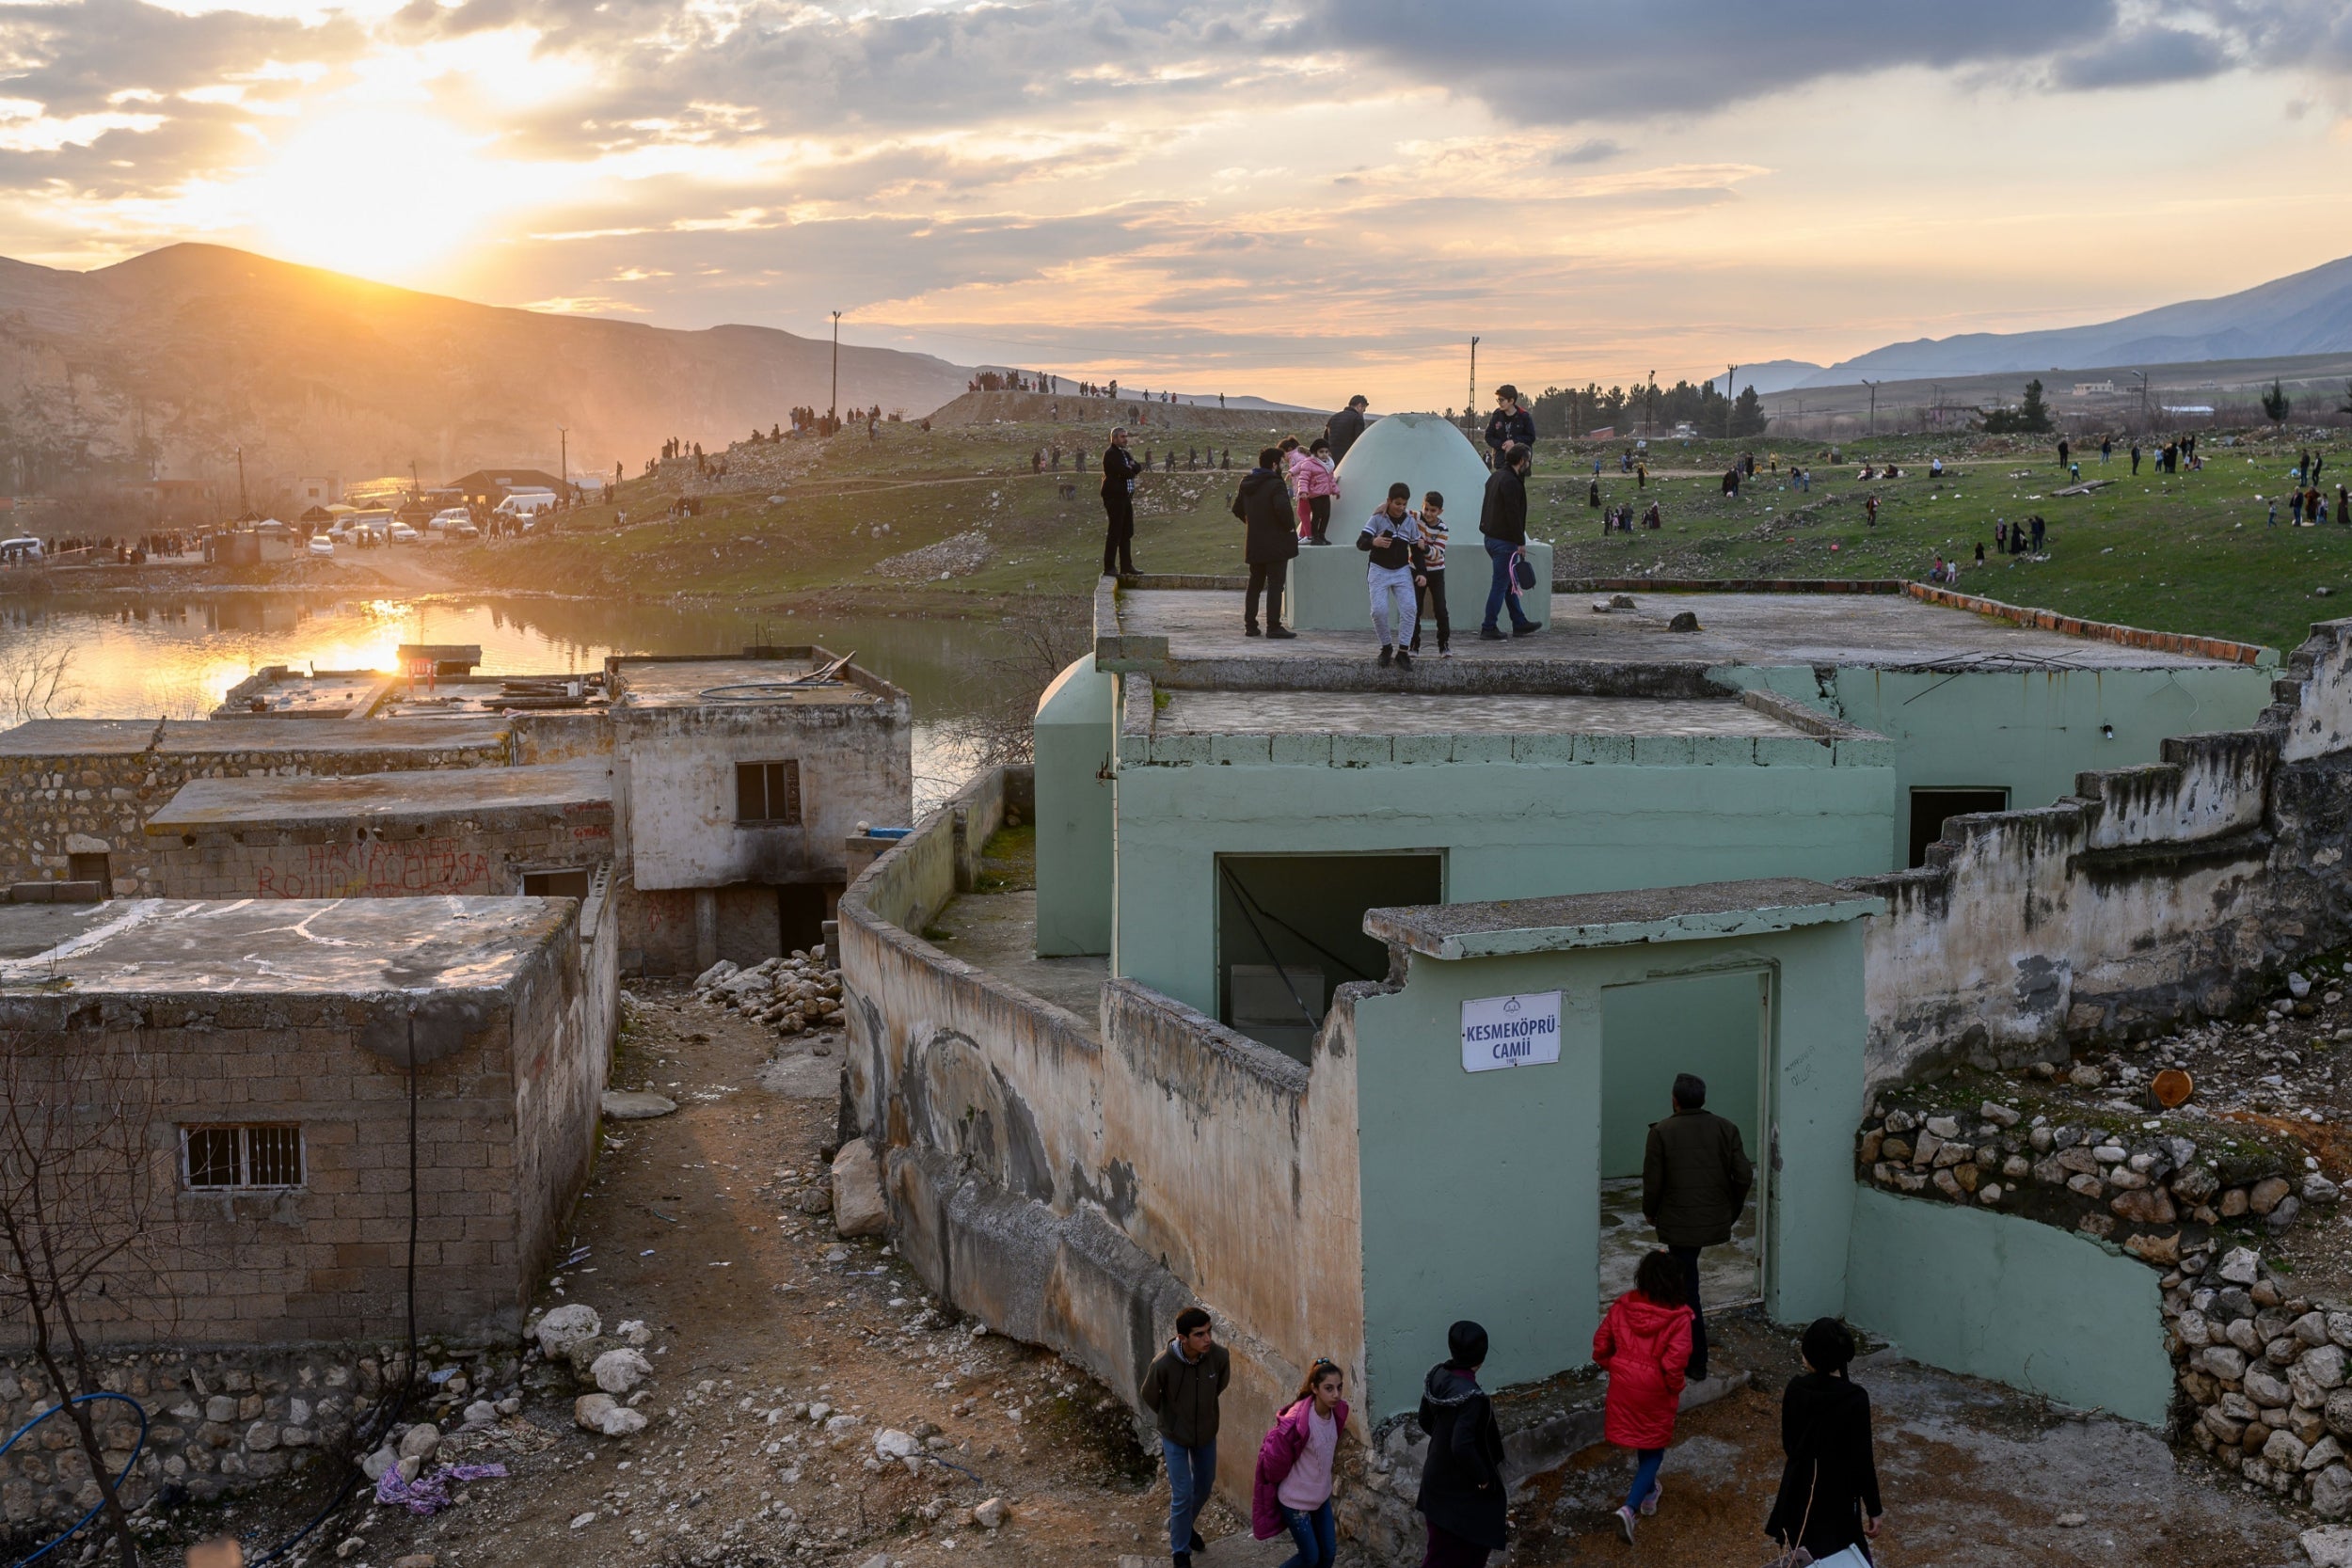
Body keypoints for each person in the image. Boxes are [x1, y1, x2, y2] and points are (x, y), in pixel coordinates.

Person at [1641, 1072, 1752, 1382]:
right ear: (1703, 1099)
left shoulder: (1661, 1132)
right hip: (1712, 1219)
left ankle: (1695, 1360)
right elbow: (1743, 1175)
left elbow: (1653, 1182)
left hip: (1679, 1224)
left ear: (1674, 1100)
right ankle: (1686, 1352)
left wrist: (1650, 1212)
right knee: (1687, 1283)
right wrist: (1731, 1209)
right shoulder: (1726, 1128)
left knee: (1688, 1291)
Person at [1595, 1250, 1694, 1543]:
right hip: (1655, 1389)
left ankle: (1650, 1493)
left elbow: (1601, 1344)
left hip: (1624, 1385)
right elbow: (1673, 1364)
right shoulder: (1680, 1317)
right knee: (1654, 1448)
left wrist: (1615, 1366)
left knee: (1645, 1439)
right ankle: (1630, 1508)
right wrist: (1674, 1387)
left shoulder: (1622, 1306)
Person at [1764, 1319, 1883, 1561]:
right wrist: (1874, 1509)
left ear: (1809, 1356)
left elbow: (1790, 1444)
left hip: (1799, 1489)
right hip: (1838, 1497)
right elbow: (1863, 1460)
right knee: (1844, 1557)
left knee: (1803, 1556)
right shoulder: (1855, 1398)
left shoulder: (1795, 1389)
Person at [1141, 1307, 1231, 1568]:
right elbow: (1149, 1394)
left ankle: (1184, 1526)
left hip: (1205, 1433)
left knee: (1203, 1486)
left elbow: (1220, 1385)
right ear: (1182, 1338)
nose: (1207, 1339)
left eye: (1209, 1332)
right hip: (1174, 1436)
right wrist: (1173, 1418)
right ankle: (1180, 1551)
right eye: (1199, 1335)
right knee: (1182, 1492)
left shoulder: (1219, 1357)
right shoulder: (1163, 1364)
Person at [1415, 1321, 1506, 1568]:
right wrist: (1483, 1478)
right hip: (1458, 1491)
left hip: (1435, 1480)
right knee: (1463, 1552)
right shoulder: (1472, 1397)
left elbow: (1424, 1419)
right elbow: (1462, 1445)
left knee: (1439, 1551)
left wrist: (1442, 1444)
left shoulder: (1437, 1375)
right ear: (1482, 1355)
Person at [1251, 1358, 1348, 1568]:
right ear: (1314, 1388)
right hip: (1295, 1502)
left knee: (1328, 1554)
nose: (1336, 1395)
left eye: (1339, 1388)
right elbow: (1274, 1465)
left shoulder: (1338, 1412)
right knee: (1310, 1557)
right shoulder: (1297, 1422)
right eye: (1328, 1388)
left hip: (1320, 1497)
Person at [1232, 447, 1299, 640]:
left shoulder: (1247, 483)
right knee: (1275, 585)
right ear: (1273, 464)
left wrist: (1252, 523)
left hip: (1255, 542)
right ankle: (1273, 626)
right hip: (1276, 543)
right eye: (1281, 463)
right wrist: (1288, 527)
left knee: (1255, 585)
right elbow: (1283, 510)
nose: (1283, 467)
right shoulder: (1275, 484)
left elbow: (1237, 509)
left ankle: (1250, 626)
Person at [1359, 483, 1423, 668]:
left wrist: (1420, 572)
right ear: (1389, 501)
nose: (1400, 508)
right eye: (1397, 504)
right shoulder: (1377, 519)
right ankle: (1386, 647)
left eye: (1404, 504)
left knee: (1410, 608)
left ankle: (1403, 651)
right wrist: (1374, 541)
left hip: (1402, 569)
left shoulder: (1410, 521)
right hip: (1379, 569)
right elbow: (1360, 542)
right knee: (1379, 611)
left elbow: (1416, 549)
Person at [1477, 446, 1537, 641]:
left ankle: (1519, 622)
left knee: (1510, 582)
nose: (1528, 464)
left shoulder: (1496, 477)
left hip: (1491, 538)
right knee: (1501, 584)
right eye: (1527, 460)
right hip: (1505, 542)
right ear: (1521, 460)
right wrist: (1520, 542)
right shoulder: (1512, 482)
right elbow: (1513, 514)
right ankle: (1488, 626)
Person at [1409, 490, 1451, 657]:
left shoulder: (1443, 528)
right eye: (1426, 509)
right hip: (1415, 569)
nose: (1428, 513)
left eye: (1433, 510)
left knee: (1440, 608)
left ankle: (1444, 644)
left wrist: (1424, 547)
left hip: (1436, 571)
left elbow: (1438, 552)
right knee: (1415, 609)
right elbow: (1397, 510)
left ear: (1440, 511)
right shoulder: (1416, 517)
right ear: (1422, 506)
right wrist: (1383, 506)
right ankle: (1413, 644)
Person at [1102, 428, 1142, 576]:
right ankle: (1109, 567)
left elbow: (1138, 467)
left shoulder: (1124, 454)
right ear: (1114, 438)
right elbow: (1126, 472)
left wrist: (1131, 467)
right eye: (1122, 437)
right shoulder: (1111, 454)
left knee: (1126, 532)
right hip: (1115, 497)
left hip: (1125, 497)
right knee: (1115, 532)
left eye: (1126, 436)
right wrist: (1130, 468)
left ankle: (1126, 566)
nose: (1125, 439)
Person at [1289, 437, 1341, 545]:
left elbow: (1331, 479)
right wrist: (1303, 491)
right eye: (1321, 452)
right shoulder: (1309, 463)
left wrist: (1335, 490)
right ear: (1315, 452)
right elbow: (1303, 479)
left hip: (1325, 494)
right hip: (1314, 495)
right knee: (1317, 516)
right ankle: (1314, 536)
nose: (1324, 454)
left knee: (1326, 515)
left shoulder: (1329, 464)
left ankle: (1322, 535)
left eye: (1326, 452)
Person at [1484, 386, 1535, 469]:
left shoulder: (1524, 416)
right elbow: (1488, 436)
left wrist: (1514, 442)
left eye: (1502, 400)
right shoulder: (1496, 415)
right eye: (1498, 400)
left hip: (1519, 463)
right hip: (1500, 462)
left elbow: (1531, 437)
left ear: (1511, 401)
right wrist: (1501, 445)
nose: (1499, 403)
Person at [1327, 395, 1370, 464]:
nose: (1363, 412)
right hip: (1347, 458)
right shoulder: (1357, 419)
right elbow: (1358, 441)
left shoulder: (1334, 417)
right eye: (1363, 409)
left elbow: (1326, 439)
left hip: (1332, 458)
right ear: (1359, 406)